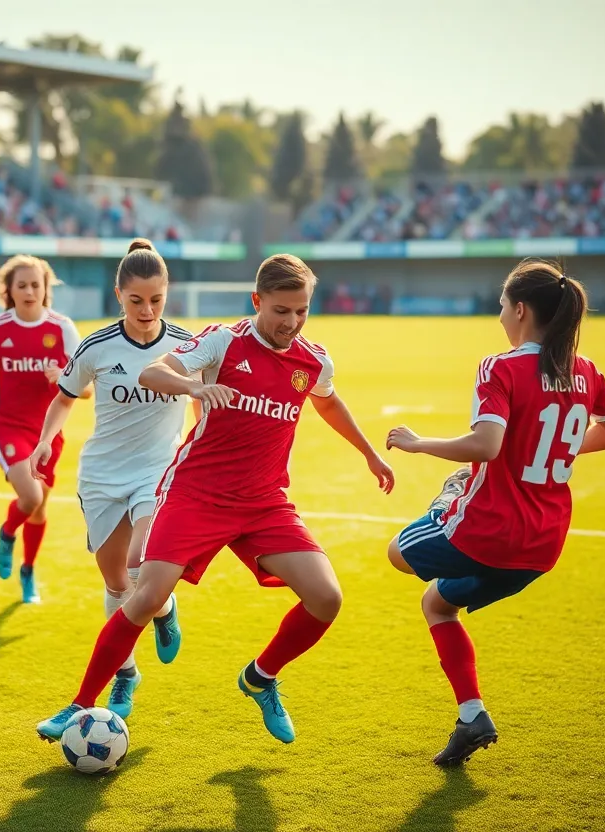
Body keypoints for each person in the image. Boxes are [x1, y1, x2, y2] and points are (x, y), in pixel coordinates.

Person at [36, 254, 395, 745]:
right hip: (196, 495)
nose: (291, 323)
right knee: (145, 594)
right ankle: (79, 705)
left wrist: (370, 454)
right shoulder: (223, 341)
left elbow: (328, 401)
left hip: (265, 502)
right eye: (281, 311)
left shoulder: (313, 359)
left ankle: (261, 678)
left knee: (326, 598)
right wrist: (194, 387)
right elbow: (154, 373)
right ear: (257, 302)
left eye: (301, 311)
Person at [384, 259, 605, 767]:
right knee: (437, 605)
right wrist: (549, 449)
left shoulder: (501, 366)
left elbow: (487, 444)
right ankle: (472, 716)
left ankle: (447, 500)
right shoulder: (586, 372)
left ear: (520, 310)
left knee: (398, 554)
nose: (498, 315)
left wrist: (418, 443)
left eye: (501, 305)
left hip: (489, 531)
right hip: (541, 546)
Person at [29, 239, 195, 718]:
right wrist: (44, 440)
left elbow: (202, 396)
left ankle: (160, 608)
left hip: (158, 469)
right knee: (118, 581)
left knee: (143, 561)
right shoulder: (96, 346)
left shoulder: (186, 346)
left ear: (168, 294)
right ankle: (128, 673)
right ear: (118, 294)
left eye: (156, 300)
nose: (147, 310)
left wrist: (200, 438)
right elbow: (64, 396)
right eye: (136, 299)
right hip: (102, 474)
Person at [0, 255, 83, 604]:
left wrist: (64, 377)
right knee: (29, 498)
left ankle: (28, 571)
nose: (29, 291)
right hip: (7, 427)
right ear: (9, 291)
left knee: (40, 509)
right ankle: (7, 532)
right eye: (22, 285)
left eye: (36, 285)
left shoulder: (63, 328)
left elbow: (86, 387)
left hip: (48, 435)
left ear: (46, 290)